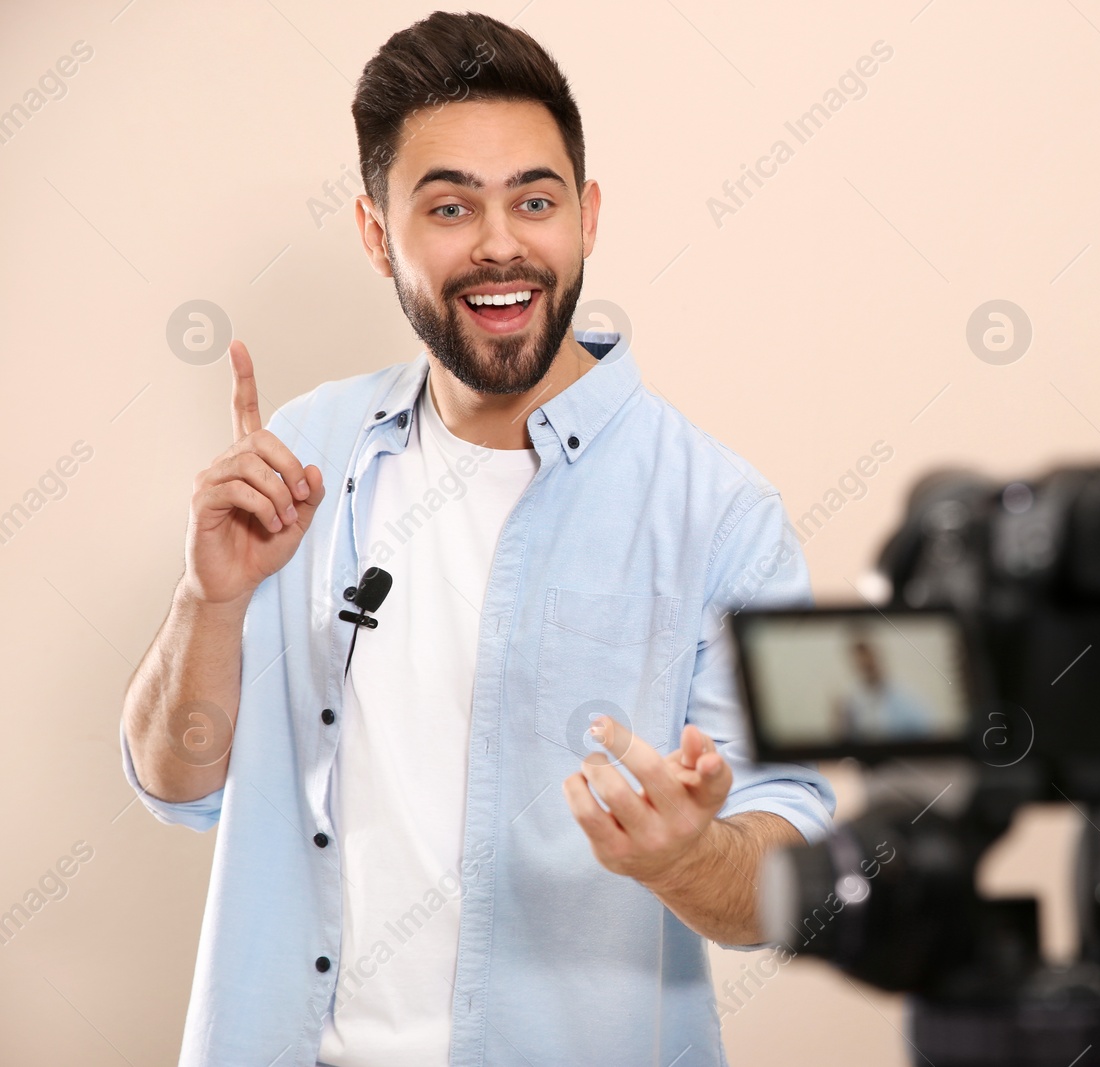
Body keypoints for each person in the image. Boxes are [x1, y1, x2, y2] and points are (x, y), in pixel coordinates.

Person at [117, 12, 834, 1066]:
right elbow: (176, 787)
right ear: (376, 233)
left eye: (534, 201)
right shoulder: (303, 454)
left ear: (585, 218)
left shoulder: (722, 512)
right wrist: (207, 601)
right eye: (449, 206)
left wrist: (688, 857)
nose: (501, 243)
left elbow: (790, 876)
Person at [832, 631, 938, 740]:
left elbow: (926, 734)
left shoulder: (906, 699)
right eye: (860, 658)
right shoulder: (849, 702)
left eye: (869, 655)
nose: (865, 662)